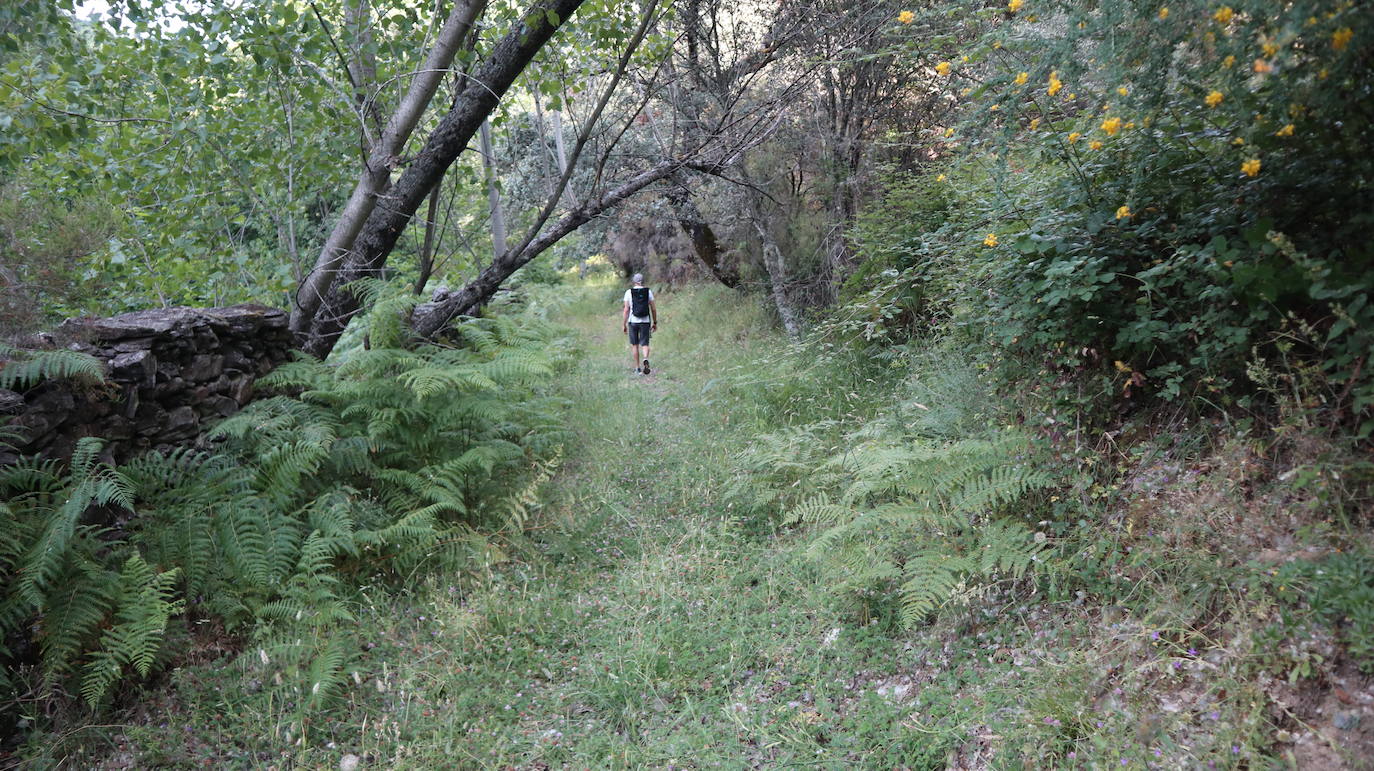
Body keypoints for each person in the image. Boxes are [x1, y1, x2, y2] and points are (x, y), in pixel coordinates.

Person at [622, 273, 658, 374]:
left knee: (635, 345)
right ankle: (645, 358)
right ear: (643, 281)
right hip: (645, 321)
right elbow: (653, 309)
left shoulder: (629, 292)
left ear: (634, 281)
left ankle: (637, 368)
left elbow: (626, 310)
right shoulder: (648, 292)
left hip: (633, 322)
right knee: (645, 344)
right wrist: (655, 322)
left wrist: (624, 324)